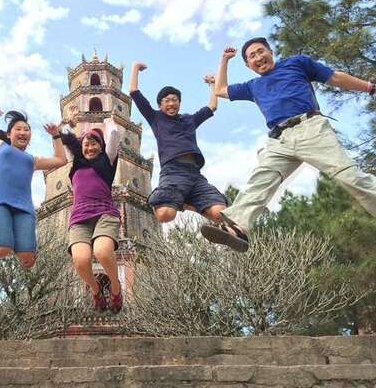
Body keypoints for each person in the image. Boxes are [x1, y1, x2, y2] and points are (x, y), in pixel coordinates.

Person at [202, 38, 376, 252]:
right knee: (261, 180)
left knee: (348, 176)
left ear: (270, 51)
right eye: (252, 57)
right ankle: (238, 228)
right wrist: (224, 60)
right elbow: (220, 90)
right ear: (248, 66)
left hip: (310, 129)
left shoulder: (297, 63)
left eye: (260, 51)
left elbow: (334, 77)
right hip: (279, 140)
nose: (258, 57)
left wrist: (369, 87)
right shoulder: (253, 86)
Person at [0, 107, 67, 268]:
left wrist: (55, 135)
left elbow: (61, 160)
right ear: (8, 134)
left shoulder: (32, 160)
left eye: (27, 130)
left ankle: (18, 246)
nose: (23, 132)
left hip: (24, 209)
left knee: (28, 259)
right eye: (18, 129)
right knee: (2, 249)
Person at [129, 62, 228, 225]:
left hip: (195, 173)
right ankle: (180, 200)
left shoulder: (189, 119)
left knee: (221, 214)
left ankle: (187, 201)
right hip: (173, 171)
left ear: (179, 103)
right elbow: (134, 92)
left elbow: (212, 106)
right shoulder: (156, 118)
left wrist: (212, 84)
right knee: (164, 215)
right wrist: (135, 68)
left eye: (174, 100)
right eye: (166, 100)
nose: (171, 103)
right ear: (160, 105)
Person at [59, 108, 123, 313]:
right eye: (86, 144)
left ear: (101, 146)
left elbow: (113, 135)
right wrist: (67, 123)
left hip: (104, 212)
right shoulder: (75, 164)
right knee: (80, 260)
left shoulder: (108, 161)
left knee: (103, 251)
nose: (89, 147)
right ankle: (96, 291)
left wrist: (108, 120)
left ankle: (115, 288)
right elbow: (67, 139)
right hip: (79, 218)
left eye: (94, 143)